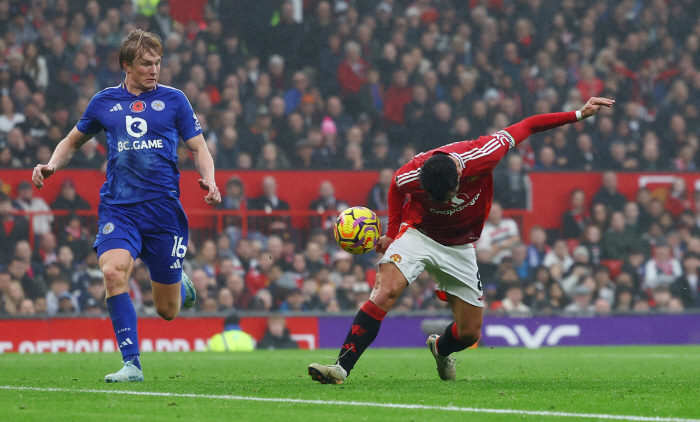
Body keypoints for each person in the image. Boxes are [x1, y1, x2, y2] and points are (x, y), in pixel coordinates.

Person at [308, 96, 615, 384]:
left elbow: (528, 125)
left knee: (469, 333)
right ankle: (341, 367)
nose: (446, 201)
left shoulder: (484, 153)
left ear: (458, 176)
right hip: (419, 234)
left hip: (460, 247)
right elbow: (396, 189)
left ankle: (441, 349)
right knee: (385, 292)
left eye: (450, 195)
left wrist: (578, 114)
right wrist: (391, 232)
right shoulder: (409, 174)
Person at [31, 30, 221, 383]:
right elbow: (72, 141)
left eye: (158, 63)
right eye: (146, 64)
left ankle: (179, 284)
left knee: (167, 310)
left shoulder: (175, 100)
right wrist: (52, 164)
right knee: (113, 272)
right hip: (119, 208)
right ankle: (131, 364)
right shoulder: (104, 102)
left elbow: (198, 148)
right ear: (127, 66)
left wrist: (210, 179)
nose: (154, 70)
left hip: (163, 210)